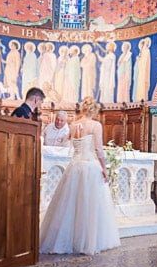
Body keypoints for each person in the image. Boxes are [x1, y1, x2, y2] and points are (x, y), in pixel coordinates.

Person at [40, 97, 120, 254]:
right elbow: (98, 150)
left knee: (71, 205)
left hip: (74, 167)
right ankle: (87, 241)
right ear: (94, 110)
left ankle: (68, 239)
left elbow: (65, 139)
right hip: (90, 167)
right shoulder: (95, 125)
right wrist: (104, 168)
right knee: (89, 206)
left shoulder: (73, 124)